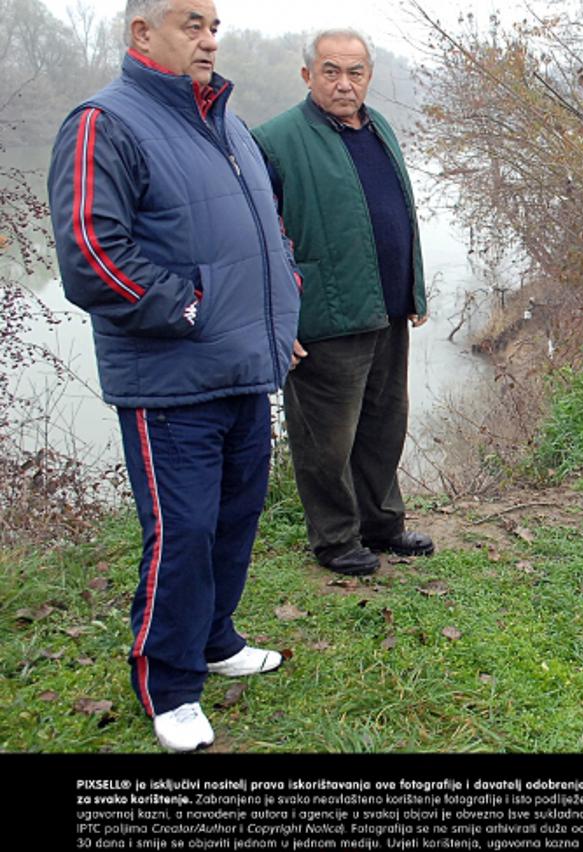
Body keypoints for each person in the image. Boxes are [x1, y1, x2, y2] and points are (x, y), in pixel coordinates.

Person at [47, 0, 302, 751]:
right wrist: (192, 309)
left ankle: (216, 640)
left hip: (241, 368)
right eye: (193, 23)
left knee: (235, 517)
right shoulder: (104, 122)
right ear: (142, 32)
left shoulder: (224, 121)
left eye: (215, 26)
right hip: (171, 379)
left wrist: (275, 311)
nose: (211, 39)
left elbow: (266, 228)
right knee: (182, 532)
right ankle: (169, 685)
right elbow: (92, 254)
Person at [252, 29, 433, 578]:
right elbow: (257, 239)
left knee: (384, 424)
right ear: (308, 75)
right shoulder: (275, 140)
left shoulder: (380, 129)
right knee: (325, 440)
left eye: (355, 72)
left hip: (386, 308)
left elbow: (400, 211)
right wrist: (277, 320)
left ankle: (382, 525)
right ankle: (334, 540)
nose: (344, 83)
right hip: (323, 317)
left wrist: (414, 287)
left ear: (369, 76)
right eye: (331, 70)